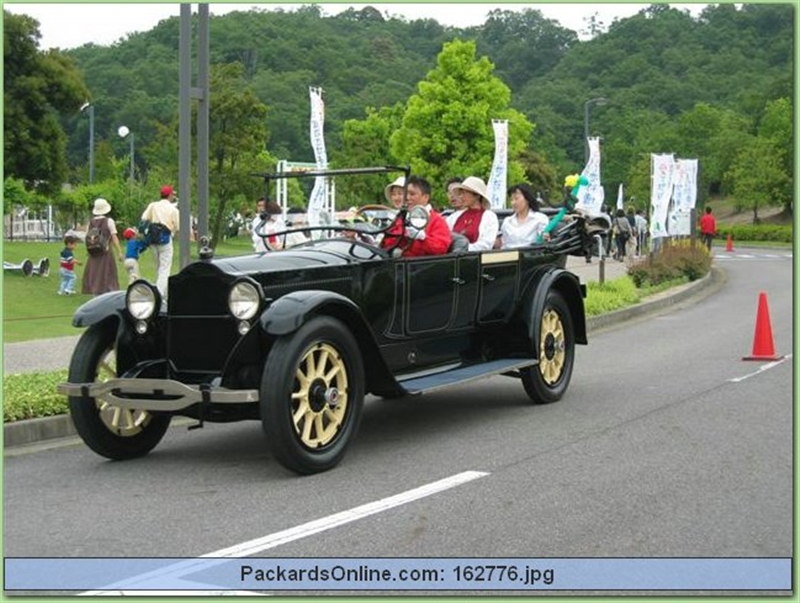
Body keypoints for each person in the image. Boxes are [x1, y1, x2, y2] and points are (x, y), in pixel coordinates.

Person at [380, 175, 451, 257]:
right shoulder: (401, 218)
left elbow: (441, 248)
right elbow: (388, 242)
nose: (407, 198)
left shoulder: (437, 220)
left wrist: (423, 238)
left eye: (412, 194)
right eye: (406, 194)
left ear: (425, 197)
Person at [141, 185, 180, 299]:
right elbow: (178, 227)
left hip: (152, 239)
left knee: (159, 267)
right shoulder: (173, 210)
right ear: (169, 195)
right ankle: (158, 295)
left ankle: (164, 294)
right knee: (165, 268)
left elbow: (144, 218)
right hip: (165, 239)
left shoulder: (153, 205)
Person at [82, 197, 122, 295]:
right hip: (106, 252)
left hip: (93, 252)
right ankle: (106, 293)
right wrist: (119, 252)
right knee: (107, 273)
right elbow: (114, 237)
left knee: (95, 273)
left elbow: (87, 237)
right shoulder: (109, 221)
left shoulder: (91, 222)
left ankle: (95, 291)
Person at [447, 176, 499, 251]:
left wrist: (464, 249)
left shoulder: (489, 217)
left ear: (477, 195)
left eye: (465, 193)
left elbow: (486, 244)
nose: (461, 196)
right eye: (461, 193)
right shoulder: (454, 217)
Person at [497, 183, 549, 249]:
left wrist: (545, 238)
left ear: (527, 199)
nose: (513, 203)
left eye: (516, 199)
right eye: (511, 199)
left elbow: (543, 242)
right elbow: (503, 246)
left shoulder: (540, 219)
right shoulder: (507, 221)